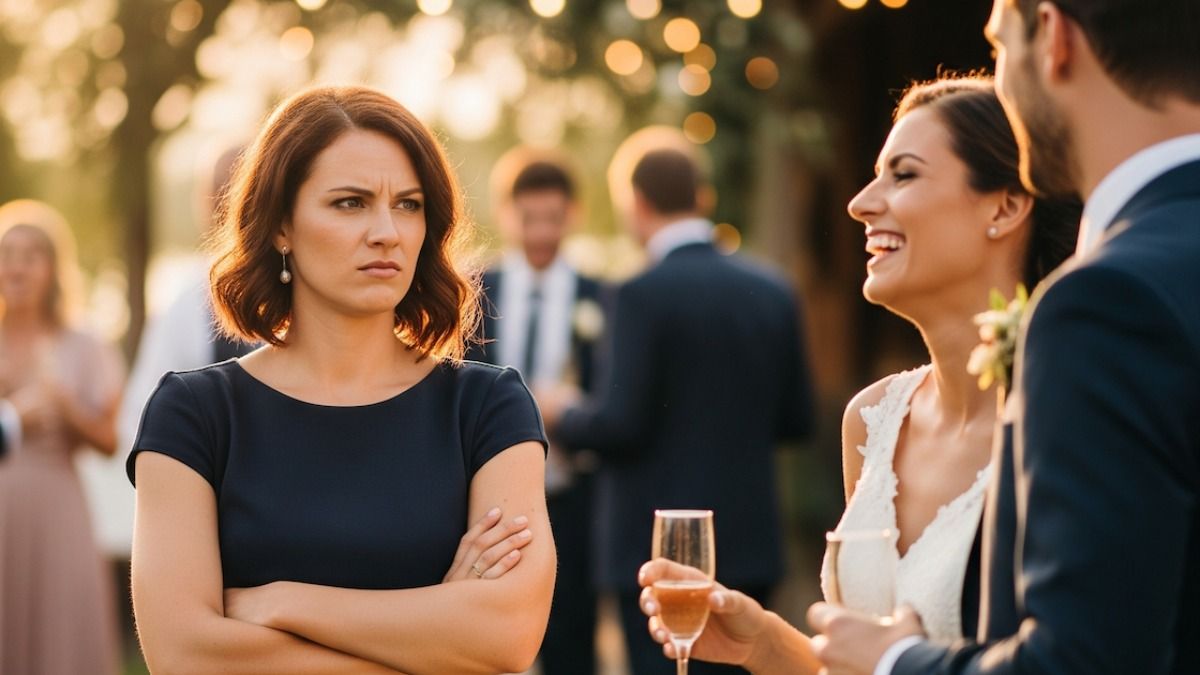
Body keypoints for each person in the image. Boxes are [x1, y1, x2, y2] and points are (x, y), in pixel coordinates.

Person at [637, 74, 1081, 671]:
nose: (861, 202)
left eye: (904, 174)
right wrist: (766, 643)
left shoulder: (1067, 414)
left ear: (1004, 206)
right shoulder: (873, 421)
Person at [807, 0, 1200, 673]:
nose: (861, 202)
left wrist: (897, 661)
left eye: (998, 48)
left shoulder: (1102, 306)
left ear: (1052, 36)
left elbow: (1084, 657)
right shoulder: (873, 418)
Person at [126, 85, 555, 674]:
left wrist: (283, 603)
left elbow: (506, 636)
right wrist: (436, 640)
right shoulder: (194, 414)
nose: (388, 231)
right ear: (280, 225)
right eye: (350, 203)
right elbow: (186, 656)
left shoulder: (487, 407)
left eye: (408, 204)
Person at [539, 133, 816, 675]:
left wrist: (563, 413)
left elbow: (620, 425)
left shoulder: (639, 292)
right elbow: (797, 420)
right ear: (703, 199)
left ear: (636, 203)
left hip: (658, 551)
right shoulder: (774, 288)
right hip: (749, 541)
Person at [467, 150, 606, 675]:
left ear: (572, 215)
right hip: (487, 508)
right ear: (507, 214)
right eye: (530, 219)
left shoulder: (600, 296)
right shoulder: (478, 292)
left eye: (553, 219)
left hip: (573, 500)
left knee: (572, 643)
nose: (542, 233)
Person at [0, 199, 124, 675]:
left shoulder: (85, 345)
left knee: (59, 637)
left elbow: (109, 441)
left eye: (31, 254)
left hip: (56, 510)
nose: (18, 266)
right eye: (8, 253)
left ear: (52, 267)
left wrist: (64, 403)